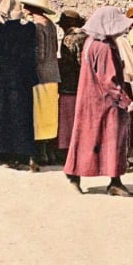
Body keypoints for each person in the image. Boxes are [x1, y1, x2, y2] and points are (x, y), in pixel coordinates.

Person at [63, 7, 133, 196]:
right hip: (105, 102)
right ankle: (115, 181)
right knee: (113, 141)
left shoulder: (90, 41)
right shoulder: (104, 47)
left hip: (90, 99)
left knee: (85, 139)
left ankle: (74, 175)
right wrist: (125, 100)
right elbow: (109, 80)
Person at [0, 0, 37, 168]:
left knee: (1, 114)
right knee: (21, 115)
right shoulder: (29, 29)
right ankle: (22, 152)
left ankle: (2, 151)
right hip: (21, 77)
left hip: (0, 77)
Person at [21, 0, 60, 167]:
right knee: (50, 114)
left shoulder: (37, 26)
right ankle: (48, 150)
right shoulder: (50, 24)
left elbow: (40, 53)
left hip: (41, 74)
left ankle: (40, 152)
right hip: (53, 72)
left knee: (39, 113)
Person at [55, 9, 87, 157]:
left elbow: (69, 63)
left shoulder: (69, 39)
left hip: (70, 84)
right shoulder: (87, 36)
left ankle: (68, 151)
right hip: (85, 82)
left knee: (68, 119)